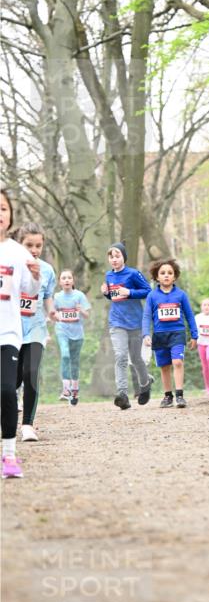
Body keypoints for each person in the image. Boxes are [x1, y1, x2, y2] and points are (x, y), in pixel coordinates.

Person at [0, 189, 40, 478]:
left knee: (6, 389)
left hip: (8, 333)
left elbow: (30, 290)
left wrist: (36, 277)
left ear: (10, 215)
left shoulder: (18, 252)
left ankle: (10, 455)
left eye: (3, 208)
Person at [15, 223, 56, 440]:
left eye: (38, 245)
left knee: (31, 373)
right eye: (29, 245)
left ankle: (27, 425)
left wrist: (52, 311)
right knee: (12, 380)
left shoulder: (47, 270)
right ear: (19, 244)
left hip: (36, 328)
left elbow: (47, 296)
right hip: (11, 329)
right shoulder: (9, 265)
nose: (34, 250)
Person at [101, 242, 153, 410]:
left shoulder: (133, 274)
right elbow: (114, 297)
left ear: (124, 257)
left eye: (117, 256)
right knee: (121, 356)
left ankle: (145, 384)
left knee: (136, 358)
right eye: (111, 257)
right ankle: (122, 394)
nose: (114, 259)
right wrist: (106, 293)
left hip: (135, 322)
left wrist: (130, 292)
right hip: (116, 322)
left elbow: (148, 291)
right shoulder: (109, 275)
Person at [142, 258, 198, 409]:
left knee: (177, 362)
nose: (166, 275)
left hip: (177, 333)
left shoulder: (181, 295)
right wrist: (145, 334)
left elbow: (189, 315)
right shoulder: (152, 296)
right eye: (162, 273)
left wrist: (194, 335)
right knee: (164, 366)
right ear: (157, 277)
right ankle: (168, 396)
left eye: (170, 273)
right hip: (159, 335)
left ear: (175, 276)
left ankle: (179, 395)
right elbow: (146, 316)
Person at [53, 270, 91, 408]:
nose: (67, 280)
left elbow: (87, 315)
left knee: (74, 361)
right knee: (65, 355)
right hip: (62, 330)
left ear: (73, 281)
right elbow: (53, 313)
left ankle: (74, 390)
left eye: (69, 277)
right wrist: (55, 316)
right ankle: (66, 389)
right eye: (64, 278)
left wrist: (81, 310)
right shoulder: (57, 297)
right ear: (60, 282)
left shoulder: (79, 295)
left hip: (77, 333)